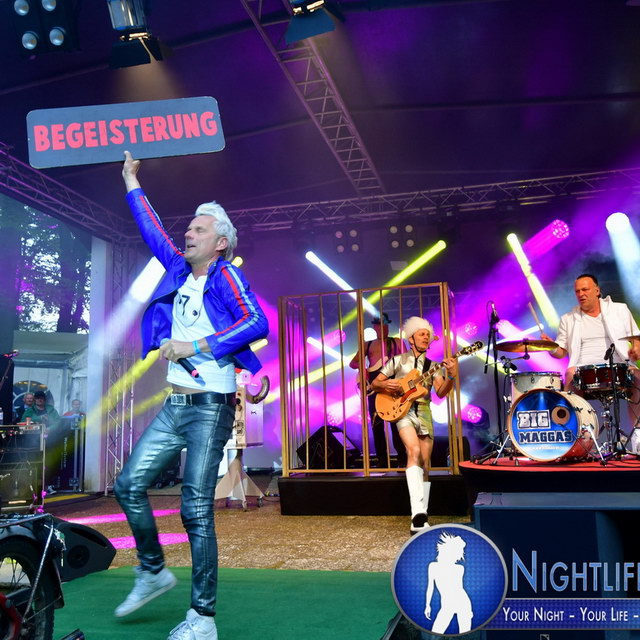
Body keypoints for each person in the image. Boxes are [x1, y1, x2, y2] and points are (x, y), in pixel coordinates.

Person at [113, 150, 268, 640]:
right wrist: (131, 180)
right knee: (128, 485)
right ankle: (153, 570)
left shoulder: (226, 276)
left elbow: (257, 322)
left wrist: (194, 346)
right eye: (189, 229)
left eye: (199, 230)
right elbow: (153, 230)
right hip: (174, 405)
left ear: (220, 243)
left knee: (194, 508)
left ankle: (203, 619)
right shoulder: (179, 271)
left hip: (209, 409)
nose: (188, 234)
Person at [371, 316, 458, 533]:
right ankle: (416, 514)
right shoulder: (397, 361)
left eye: (428, 334)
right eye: (421, 334)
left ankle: (422, 515)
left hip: (424, 411)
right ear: (411, 338)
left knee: (425, 465)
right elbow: (374, 383)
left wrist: (451, 376)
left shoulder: (433, 366)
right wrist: (387, 385)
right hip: (403, 411)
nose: (426, 337)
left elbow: (441, 392)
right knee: (413, 450)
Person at [542, 273, 640, 439]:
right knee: (570, 375)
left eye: (585, 289)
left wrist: (636, 348)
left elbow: (635, 337)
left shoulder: (619, 309)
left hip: (619, 365)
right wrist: (550, 347)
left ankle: (638, 434)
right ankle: (580, 436)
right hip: (583, 368)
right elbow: (560, 353)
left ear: (597, 290)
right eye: (577, 291)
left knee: (638, 377)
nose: (581, 294)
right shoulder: (568, 319)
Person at [349, 313, 406, 468]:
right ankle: (382, 461)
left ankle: (402, 459)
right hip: (374, 388)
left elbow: (406, 362)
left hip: (393, 386)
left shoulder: (397, 342)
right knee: (377, 425)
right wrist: (363, 368)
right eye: (380, 326)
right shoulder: (367, 345)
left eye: (385, 325)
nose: (383, 329)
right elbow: (353, 363)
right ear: (375, 328)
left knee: (396, 424)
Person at [424, 532, 473, 634]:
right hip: (447, 605)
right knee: (436, 632)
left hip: (463, 603)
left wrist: (468, 610)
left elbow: (459, 589)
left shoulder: (459, 568)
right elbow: (430, 587)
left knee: (465, 634)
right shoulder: (433, 566)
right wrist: (427, 605)